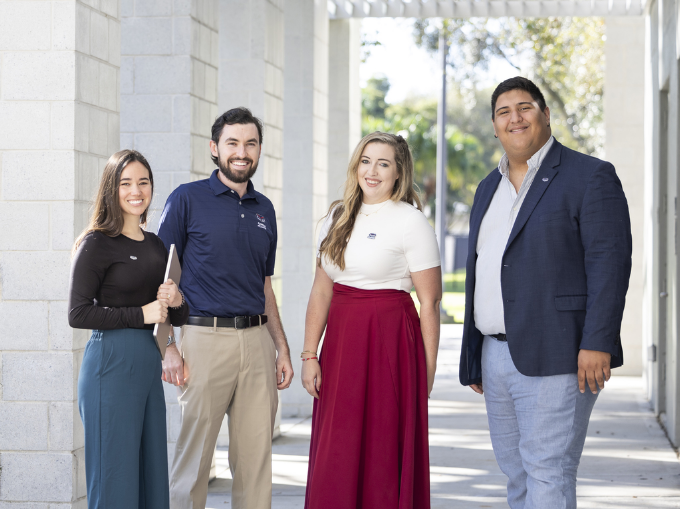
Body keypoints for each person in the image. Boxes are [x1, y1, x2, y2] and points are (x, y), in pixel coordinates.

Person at [460, 76, 632, 509]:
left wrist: (598, 342)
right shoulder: (487, 188)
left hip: (561, 352)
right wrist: (475, 354)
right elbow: (482, 270)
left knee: (548, 471)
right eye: (504, 112)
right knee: (516, 474)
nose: (514, 118)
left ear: (545, 114)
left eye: (525, 107)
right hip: (496, 356)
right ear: (495, 126)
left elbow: (609, 267)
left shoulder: (590, 176)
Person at [158, 107, 294, 509]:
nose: (242, 151)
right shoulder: (186, 199)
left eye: (251, 143)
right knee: (194, 462)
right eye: (233, 142)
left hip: (256, 344)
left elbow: (264, 285)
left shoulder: (264, 209)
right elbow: (163, 278)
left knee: (255, 464)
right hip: (203, 340)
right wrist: (167, 345)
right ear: (215, 148)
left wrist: (282, 348)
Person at [301, 132, 442, 508]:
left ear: (399, 173)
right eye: (366, 161)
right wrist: (309, 354)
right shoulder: (333, 217)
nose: (373, 171)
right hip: (342, 345)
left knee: (383, 449)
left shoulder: (411, 221)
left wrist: (425, 374)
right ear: (355, 166)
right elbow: (321, 291)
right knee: (338, 445)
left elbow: (429, 302)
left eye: (384, 163)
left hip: (390, 344)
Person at [69, 150, 190, 509]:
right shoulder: (96, 243)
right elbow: (78, 314)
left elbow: (173, 318)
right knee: (114, 478)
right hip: (110, 366)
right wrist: (141, 314)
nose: (136, 190)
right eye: (126, 183)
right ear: (111, 189)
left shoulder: (155, 245)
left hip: (146, 369)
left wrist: (177, 299)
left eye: (143, 182)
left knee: (150, 475)